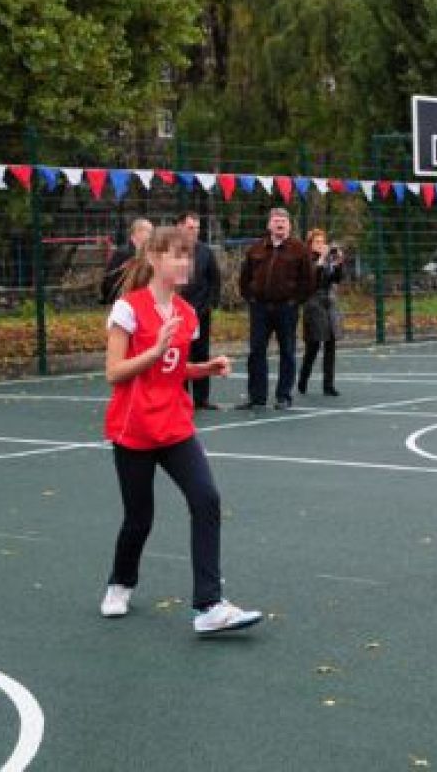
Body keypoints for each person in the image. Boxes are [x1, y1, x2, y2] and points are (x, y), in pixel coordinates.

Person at [101, 225, 263, 635]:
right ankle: (120, 583)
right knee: (139, 518)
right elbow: (114, 373)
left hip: (174, 425)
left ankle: (209, 605)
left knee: (206, 500)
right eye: (177, 255)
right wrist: (153, 349)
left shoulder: (187, 314)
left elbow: (170, 371)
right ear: (155, 259)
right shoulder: (127, 309)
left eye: (188, 255)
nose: (186, 262)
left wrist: (202, 368)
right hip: (133, 428)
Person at [238, 207, 315, 411]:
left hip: (286, 308)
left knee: (287, 352)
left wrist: (294, 301)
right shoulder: (256, 248)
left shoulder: (299, 249)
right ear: (269, 224)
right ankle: (257, 397)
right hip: (260, 308)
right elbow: (244, 277)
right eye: (275, 220)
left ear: (289, 225)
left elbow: (309, 280)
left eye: (283, 221)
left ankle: (283, 396)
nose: (279, 224)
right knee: (256, 352)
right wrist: (251, 298)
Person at [177, 211, 223, 410]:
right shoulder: (171, 250)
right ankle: (181, 397)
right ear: (179, 227)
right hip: (176, 313)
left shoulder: (205, 252)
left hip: (200, 312)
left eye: (197, 228)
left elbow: (215, 280)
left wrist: (209, 303)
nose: (194, 232)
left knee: (201, 354)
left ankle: (202, 398)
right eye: (190, 228)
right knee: (179, 354)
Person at [298, 228, 344, 397]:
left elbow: (337, 279)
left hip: (329, 302)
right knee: (313, 346)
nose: (321, 245)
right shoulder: (305, 260)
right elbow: (311, 279)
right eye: (316, 242)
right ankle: (303, 379)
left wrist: (338, 263)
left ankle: (328, 385)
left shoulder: (328, 260)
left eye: (322, 241)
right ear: (309, 244)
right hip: (313, 303)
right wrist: (322, 260)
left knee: (331, 344)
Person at [99, 218, 152, 305]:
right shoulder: (123, 253)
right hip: (123, 296)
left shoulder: (144, 252)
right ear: (138, 232)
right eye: (149, 231)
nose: (151, 235)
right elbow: (110, 280)